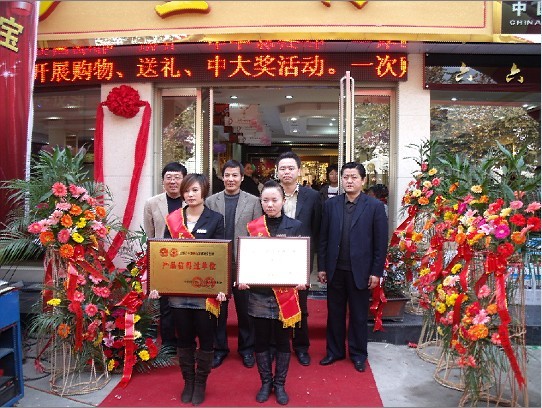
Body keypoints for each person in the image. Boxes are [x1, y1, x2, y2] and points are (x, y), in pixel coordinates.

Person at [238, 180, 305, 405]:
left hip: (285, 294)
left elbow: (302, 257)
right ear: (261, 202)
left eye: (274, 200)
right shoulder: (253, 227)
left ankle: (280, 384)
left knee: (283, 341)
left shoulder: (295, 226)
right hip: (260, 293)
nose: (270, 204)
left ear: (283, 201)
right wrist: (243, 276)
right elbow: (247, 257)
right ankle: (266, 382)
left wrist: (302, 278)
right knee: (261, 340)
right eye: (265, 200)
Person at [317, 162, 388, 373]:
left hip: (361, 271)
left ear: (363, 180)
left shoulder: (374, 207)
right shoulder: (331, 205)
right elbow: (323, 239)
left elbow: (380, 243)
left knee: (358, 315)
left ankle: (358, 354)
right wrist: (322, 267)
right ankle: (335, 351)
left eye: (354, 177)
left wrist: (376, 272)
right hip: (335, 269)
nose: (349, 181)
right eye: (346, 177)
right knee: (335, 313)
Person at [167, 173, 226, 405]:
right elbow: (163, 252)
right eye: (186, 190)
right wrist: (159, 284)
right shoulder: (173, 219)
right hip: (179, 290)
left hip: (206, 292)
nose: (190, 195)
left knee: (206, 338)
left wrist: (222, 286)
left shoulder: (215, 219)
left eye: (194, 190)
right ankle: (188, 381)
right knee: (184, 338)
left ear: (204, 192)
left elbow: (221, 255)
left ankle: (201, 382)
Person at [206, 160, 263, 369]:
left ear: (242, 178)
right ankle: (219, 349)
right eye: (227, 175)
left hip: (243, 263)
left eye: (235, 175)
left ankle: (247, 349)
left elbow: (257, 235)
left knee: (245, 309)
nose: (231, 179)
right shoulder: (210, 201)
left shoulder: (254, 202)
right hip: (219, 264)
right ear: (222, 177)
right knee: (218, 309)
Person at [275, 151, 321, 366]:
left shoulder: (312, 196)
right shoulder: (269, 192)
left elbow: (318, 228)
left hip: (301, 256)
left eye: (291, 168)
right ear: (277, 171)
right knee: (274, 300)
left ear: (299, 171)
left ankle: (301, 346)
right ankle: (277, 344)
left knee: (301, 302)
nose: (287, 172)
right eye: (282, 168)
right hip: (273, 255)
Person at [143, 162, 187, 349]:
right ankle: (168, 342)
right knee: (165, 302)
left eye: (177, 177)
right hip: (162, 259)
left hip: (187, 259)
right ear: (163, 181)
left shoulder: (192, 201)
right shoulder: (152, 203)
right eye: (169, 177)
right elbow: (150, 233)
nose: (173, 181)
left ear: (184, 180)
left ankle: (185, 340)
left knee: (184, 300)